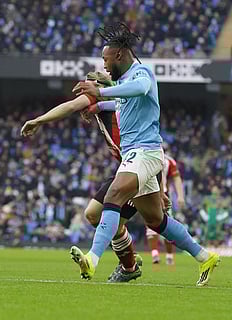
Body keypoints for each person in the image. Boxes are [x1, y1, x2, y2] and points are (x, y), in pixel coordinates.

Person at [70, 22, 219, 286]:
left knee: (115, 195)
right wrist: (99, 105)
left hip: (145, 153)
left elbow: (138, 90)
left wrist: (100, 90)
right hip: (137, 154)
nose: (104, 66)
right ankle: (204, 256)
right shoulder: (125, 80)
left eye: (106, 59)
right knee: (156, 220)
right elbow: (123, 100)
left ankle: (92, 258)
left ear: (119, 55)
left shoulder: (142, 73)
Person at [22, 71, 143, 283]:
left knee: (157, 221)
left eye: (86, 88)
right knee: (95, 215)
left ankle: (122, 264)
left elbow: (69, 107)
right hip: (128, 166)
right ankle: (129, 263)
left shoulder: (107, 97)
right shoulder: (117, 99)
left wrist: (38, 120)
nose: (82, 95)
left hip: (140, 168)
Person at [146, 151, 185, 265]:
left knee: (166, 223)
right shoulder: (146, 156)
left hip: (163, 195)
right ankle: (155, 254)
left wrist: (180, 196)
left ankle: (169, 254)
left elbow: (176, 178)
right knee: (151, 224)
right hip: (148, 194)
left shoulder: (169, 161)